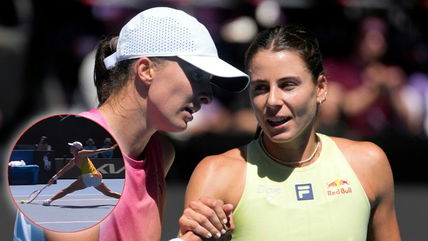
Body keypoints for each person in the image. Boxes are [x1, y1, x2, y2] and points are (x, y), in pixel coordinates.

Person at [44, 7, 249, 241]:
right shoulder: (65, 146)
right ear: (146, 70)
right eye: (197, 75)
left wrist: (201, 231)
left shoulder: (161, 153)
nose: (207, 96)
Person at [179, 24, 401, 241]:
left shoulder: (369, 163)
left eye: (288, 85)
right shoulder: (216, 174)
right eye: (261, 88)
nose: (272, 101)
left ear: (321, 88)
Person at [42, 141, 120, 206]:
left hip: (88, 177)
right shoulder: (74, 160)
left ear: (76, 148)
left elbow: (95, 151)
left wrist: (109, 149)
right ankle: (127, 199)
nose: (70, 147)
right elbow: (64, 170)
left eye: (72, 146)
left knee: (67, 190)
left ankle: (49, 200)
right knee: (109, 193)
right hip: (97, 177)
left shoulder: (81, 153)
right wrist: (53, 178)